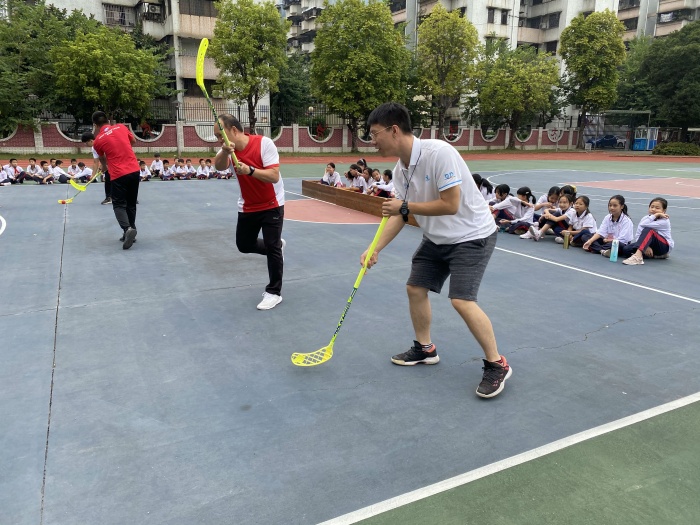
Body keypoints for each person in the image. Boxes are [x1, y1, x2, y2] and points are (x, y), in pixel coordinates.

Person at [362, 102, 510, 399]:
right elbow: (400, 215)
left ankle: (497, 364)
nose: (372, 141)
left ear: (394, 130)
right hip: (437, 237)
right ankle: (425, 348)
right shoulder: (400, 170)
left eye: (375, 134)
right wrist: (374, 248)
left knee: (462, 301)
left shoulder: (439, 153)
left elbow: (450, 204)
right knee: (415, 288)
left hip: (471, 235)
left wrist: (405, 206)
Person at [213, 113, 286, 311]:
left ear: (233, 130)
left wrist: (250, 171)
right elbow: (219, 167)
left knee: (272, 247)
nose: (218, 140)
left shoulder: (264, 144)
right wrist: (224, 152)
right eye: (217, 137)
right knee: (244, 245)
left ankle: (274, 292)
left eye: (220, 135)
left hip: (272, 203)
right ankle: (278, 247)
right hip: (248, 205)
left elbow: (273, 176)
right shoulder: (228, 150)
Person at [91, 111, 140, 249]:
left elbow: (102, 159)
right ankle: (131, 231)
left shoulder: (98, 141)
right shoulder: (121, 127)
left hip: (118, 174)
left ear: (95, 125)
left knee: (118, 204)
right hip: (134, 170)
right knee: (131, 203)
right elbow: (133, 141)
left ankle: (127, 229)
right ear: (108, 120)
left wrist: (104, 166)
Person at [620, 198, 674, 265]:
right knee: (626, 249)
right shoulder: (645, 218)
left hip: (664, 246)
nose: (653, 209)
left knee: (649, 230)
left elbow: (643, 224)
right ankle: (656, 255)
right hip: (649, 244)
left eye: (657, 208)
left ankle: (638, 257)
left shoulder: (664, 221)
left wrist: (656, 215)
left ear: (664, 210)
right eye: (652, 207)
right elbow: (638, 234)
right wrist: (646, 247)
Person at [82, 132, 111, 205]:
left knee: (119, 180)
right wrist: (93, 175)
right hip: (108, 164)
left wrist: (103, 166)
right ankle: (109, 197)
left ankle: (130, 197)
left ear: (91, 141)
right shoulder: (93, 148)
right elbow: (96, 162)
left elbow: (106, 156)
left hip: (115, 162)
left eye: (86, 143)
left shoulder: (101, 143)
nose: (86, 145)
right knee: (108, 179)